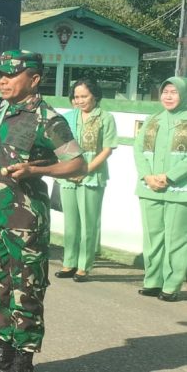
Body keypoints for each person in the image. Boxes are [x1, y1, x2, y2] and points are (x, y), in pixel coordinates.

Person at [0, 50, 84, 372]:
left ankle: (23, 360)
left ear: (34, 80)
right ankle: (2, 351)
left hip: (24, 220)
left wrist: (38, 171)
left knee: (27, 287)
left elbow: (78, 163)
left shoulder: (47, 119)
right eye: (0, 75)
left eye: (11, 75)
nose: (3, 81)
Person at [56, 78, 116, 283]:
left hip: (92, 175)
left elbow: (107, 149)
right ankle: (69, 262)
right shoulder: (68, 118)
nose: (80, 100)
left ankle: (84, 266)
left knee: (88, 223)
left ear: (95, 96)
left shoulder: (105, 118)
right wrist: (68, 169)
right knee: (70, 223)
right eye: (76, 96)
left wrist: (86, 169)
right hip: (68, 176)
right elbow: (60, 145)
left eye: (84, 96)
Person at [134, 77, 187, 303]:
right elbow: (138, 149)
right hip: (150, 188)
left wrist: (169, 176)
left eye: (174, 92)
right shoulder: (152, 120)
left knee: (176, 239)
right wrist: (148, 176)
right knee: (152, 237)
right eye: (165, 91)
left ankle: (172, 285)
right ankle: (152, 281)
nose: (168, 96)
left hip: (178, 189)